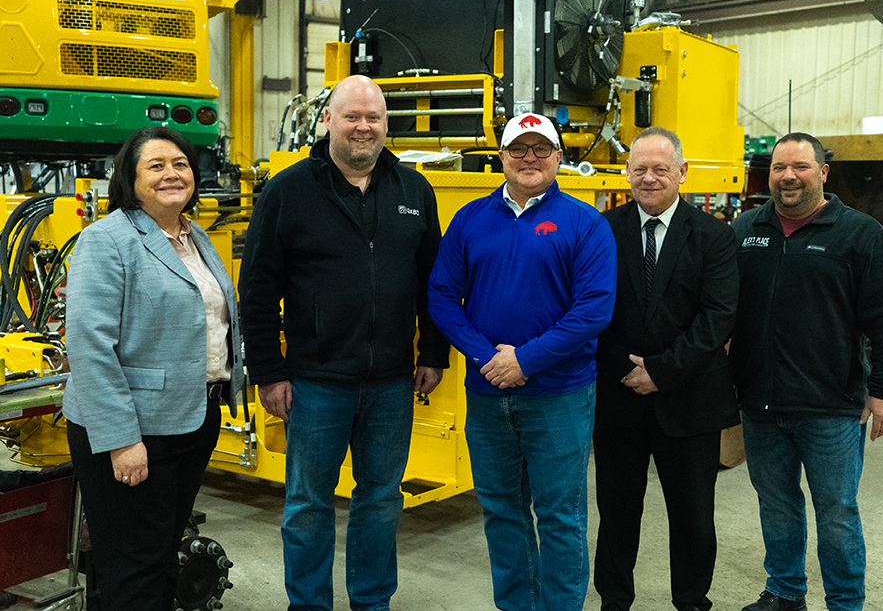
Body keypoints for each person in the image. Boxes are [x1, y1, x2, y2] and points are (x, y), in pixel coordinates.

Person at [238, 75, 450, 611]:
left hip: (391, 384)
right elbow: (257, 289)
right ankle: (308, 605)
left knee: (380, 501)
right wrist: (269, 370)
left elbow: (434, 284)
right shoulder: (289, 190)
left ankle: (371, 602)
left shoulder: (413, 190)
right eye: (352, 116)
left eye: (373, 118)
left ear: (386, 125)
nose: (363, 127)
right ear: (328, 120)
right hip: (314, 383)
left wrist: (432, 353)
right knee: (308, 505)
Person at [427, 112, 616, 611]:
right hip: (488, 395)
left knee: (560, 517)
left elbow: (594, 308)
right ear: (502, 157)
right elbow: (442, 294)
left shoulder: (586, 223)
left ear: (559, 156)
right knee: (502, 512)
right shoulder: (471, 219)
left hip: (560, 397)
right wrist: (487, 356)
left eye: (540, 148)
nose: (529, 158)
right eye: (518, 148)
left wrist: (526, 360)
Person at [63, 126, 244, 611]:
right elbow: (88, 345)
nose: (172, 174)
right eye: (156, 166)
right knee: (135, 568)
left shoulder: (195, 235)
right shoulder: (107, 239)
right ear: (130, 178)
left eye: (180, 164)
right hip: (132, 431)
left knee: (161, 558)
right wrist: (122, 439)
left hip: (193, 418)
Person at [729, 133, 883, 611]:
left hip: (831, 406)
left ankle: (845, 603)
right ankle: (786, 592)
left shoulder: (860, 233)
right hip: (761, 403)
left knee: (837, 513)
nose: (788, 176)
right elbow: (723, 312)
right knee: (777, 505)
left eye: (801, 167)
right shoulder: (747, 229)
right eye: (779, 167)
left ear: (823, 172)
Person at [593, 127, 739, 611]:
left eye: (660, 168)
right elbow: (589, 310)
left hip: (690, 399)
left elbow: (717, 318)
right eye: (640, 169)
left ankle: (693, 601)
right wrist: (624, 370)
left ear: (682, 172)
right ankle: (614, 598)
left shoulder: (715, 235)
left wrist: (660, 371)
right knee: (616, 511)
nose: (649, 178)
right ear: (627, 172)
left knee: (694, 514)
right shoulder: (602, 231)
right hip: (619, 398)